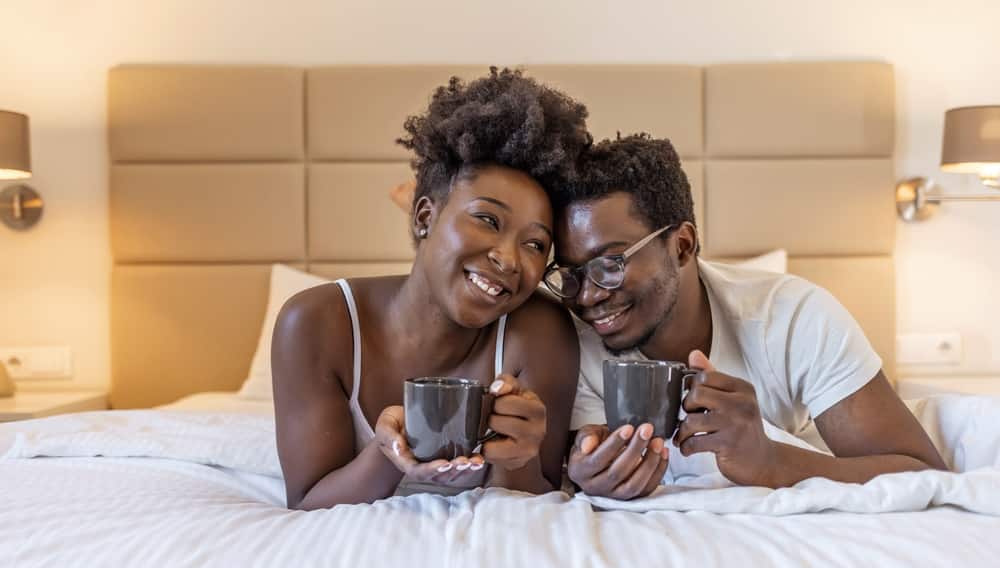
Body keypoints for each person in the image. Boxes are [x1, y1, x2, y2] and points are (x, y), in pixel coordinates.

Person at [545, 134, 947, 500]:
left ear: (682, 245)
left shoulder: (790, 319)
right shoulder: (569, 343)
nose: (587, 295)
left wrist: (769, 462)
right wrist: (587, 473)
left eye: (611, 263)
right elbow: (583, 453)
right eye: (571, 274)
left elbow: (923, 473)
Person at [273, 68, 591, 510]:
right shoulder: (316, 324)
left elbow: (533, 503)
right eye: (487, 219)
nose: (509, 258)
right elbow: (308, 500)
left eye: (535, 244)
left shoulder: (539, 332)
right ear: (424, 217)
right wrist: (392, 454)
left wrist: (521, 457)